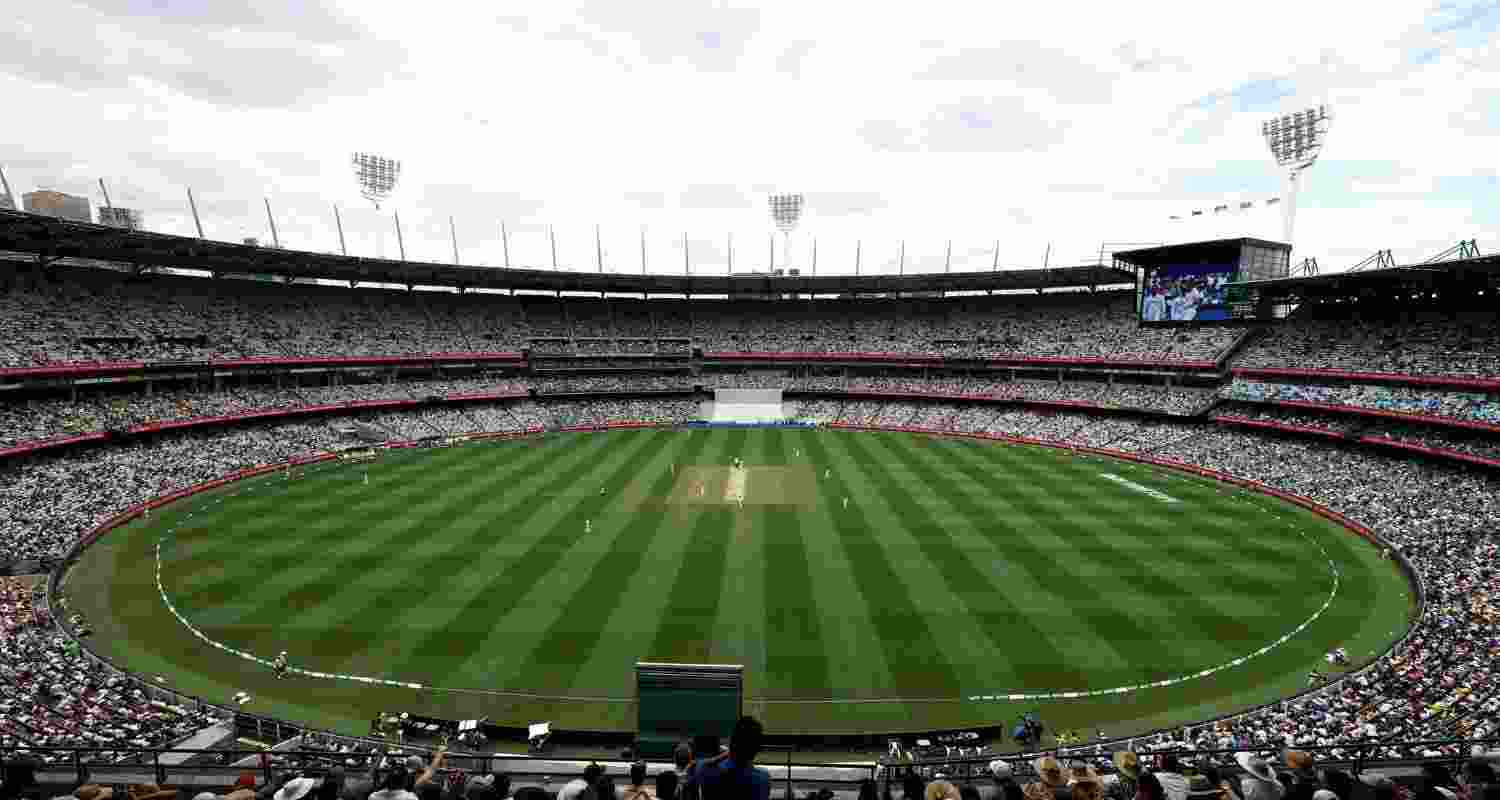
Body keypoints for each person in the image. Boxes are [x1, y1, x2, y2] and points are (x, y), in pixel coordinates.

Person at [696, 715, 771, 800]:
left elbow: (701, 765)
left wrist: (728, 752)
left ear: (731, 742)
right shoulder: (763, 779)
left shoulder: (708, 773)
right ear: (757, 749)